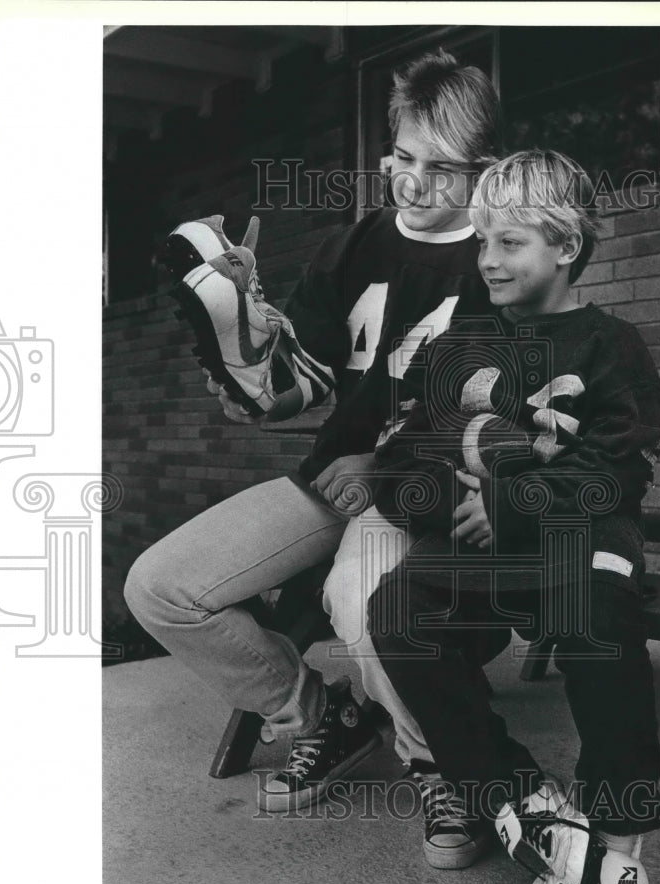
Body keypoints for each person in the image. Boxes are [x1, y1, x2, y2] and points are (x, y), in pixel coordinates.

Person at [123, 50, 499, 818]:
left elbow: (488, 409)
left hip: (421, 488)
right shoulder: (352, 244)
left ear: (483, 170)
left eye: (440, 166)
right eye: (400, 157)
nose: (413, 182)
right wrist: (251, 379)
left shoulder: (500, 257)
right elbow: (312, 379)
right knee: (160, 589)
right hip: (333, 480)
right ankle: (320, 714)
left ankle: (440, 764)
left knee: (365, 606)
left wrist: (382, 461)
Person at [366, 150, 660, 884]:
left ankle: (613, 829)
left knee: (598, 612)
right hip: (481, 539)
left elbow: (616, 474)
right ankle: (515, 798)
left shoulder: (612, 345)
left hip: (579, 537)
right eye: (482, 243)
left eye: (510, 244)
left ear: (565, 247)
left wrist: (511, 501)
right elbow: (398, 463)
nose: (487, 261)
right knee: (396, 607)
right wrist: (459, 500)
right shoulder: (459, 344)